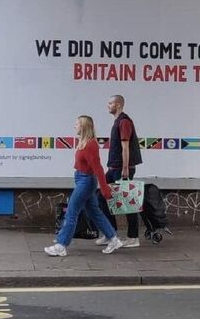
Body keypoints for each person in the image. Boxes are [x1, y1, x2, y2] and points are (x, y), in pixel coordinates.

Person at [44, 115, 123, 257]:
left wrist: (104, 188)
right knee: (94, 212)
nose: (75, 126)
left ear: (84, 127)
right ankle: (113, 238)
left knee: (71, 212)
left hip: (86, 182)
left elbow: (97, 168)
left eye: (77, 124)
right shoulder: (83, 142)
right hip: (82, 179)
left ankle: (61, 245)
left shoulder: (91, 145)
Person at [97, 95, 143, 248]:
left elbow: (125, 147)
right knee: (102, 196)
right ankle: (111, 233)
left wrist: (125, 168)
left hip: (122, 169)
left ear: (117, 104)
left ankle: (133, 237)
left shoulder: (124, 122)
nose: (108, 105)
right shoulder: (118, 122)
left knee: (128, 202)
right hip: (114, 168)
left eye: (110, 103)